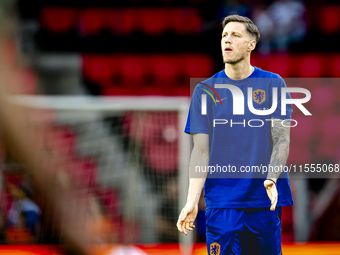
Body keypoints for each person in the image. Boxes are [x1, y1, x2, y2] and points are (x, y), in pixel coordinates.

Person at [176, 15, 293, 255]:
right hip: (221, 202)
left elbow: (281, 140)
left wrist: (272, 177)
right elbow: (200, 151)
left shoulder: (273, 84)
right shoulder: (205, 91)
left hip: (263, 202)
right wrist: (191, 200)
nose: (227, 40)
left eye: (235, 35)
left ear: (251, 44)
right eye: (224, 36)